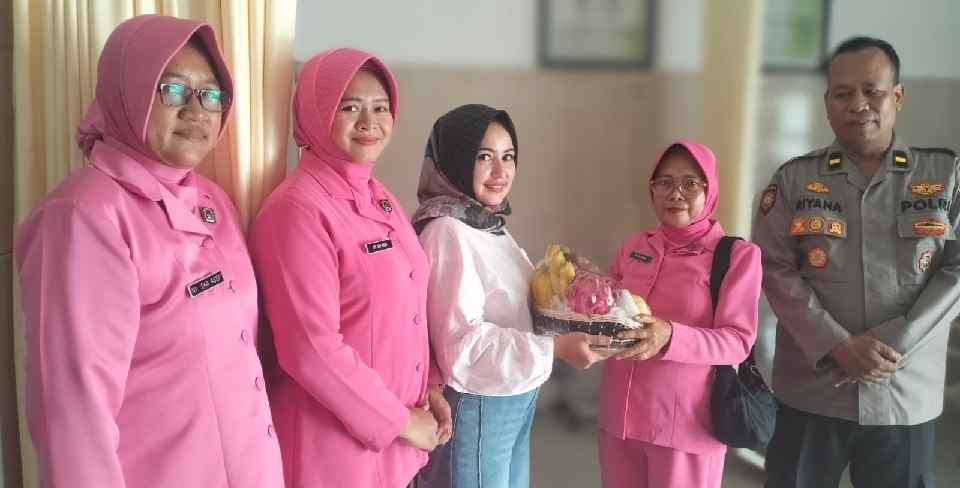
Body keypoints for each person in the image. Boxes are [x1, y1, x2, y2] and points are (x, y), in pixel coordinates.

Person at [14, 14, 284, 488]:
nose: (197, 111)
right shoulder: (84, 216)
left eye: (212, 94)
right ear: (129, 92)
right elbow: (74, 419)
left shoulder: (213, 202)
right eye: (173, 89)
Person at [752, 36, 959, 488]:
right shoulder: (793, 180)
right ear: (827, 103)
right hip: (812, 391)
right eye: (843, 93)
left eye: (873, 91)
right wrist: (836, 345)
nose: (858, 104)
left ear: (897, 96)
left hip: (904, 394)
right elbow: (772, 267)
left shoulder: (946, 176)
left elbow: (955, 271)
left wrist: (894, 343)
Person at [249, 48, 447, 488]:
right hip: (333, 454)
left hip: (399, 443)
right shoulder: (296, 210)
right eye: (350, 107)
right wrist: (401, 421)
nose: (369, 122)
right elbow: (311, 349)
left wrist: (429, 387)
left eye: (381, 107)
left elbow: (408, 305)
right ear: (316, 113)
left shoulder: (379, 196)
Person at [412, 104, 608, 488]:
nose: (501, 172)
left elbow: (511, 308)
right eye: (484, 157)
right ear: (454, 159)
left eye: (509, 156)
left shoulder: (486, 225)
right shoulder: (448, 231)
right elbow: (462, 348)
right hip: (477, 407)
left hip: (514, 400)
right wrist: (556, 349)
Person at [599, 139, 762, 488]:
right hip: (620, 418)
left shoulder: (737, 256)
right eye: (665, 182)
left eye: (690, 183)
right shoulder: (634, 246)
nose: (675, 194)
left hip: (686, 426)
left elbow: (738, 342)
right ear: (652, 189)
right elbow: (608, 309)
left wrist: (670, 335)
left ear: (710, 189)